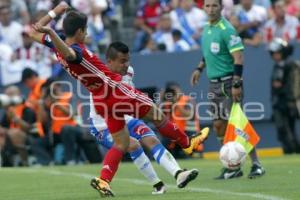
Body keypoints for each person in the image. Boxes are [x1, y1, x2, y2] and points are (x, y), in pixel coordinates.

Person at [28, 2, 207, 197]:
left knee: (121, 143)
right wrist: (52, 32)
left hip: (101, 99)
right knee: (157, 114)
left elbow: (33, 32)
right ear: (79, 31)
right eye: (85, 30)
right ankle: (187, 142)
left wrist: (54, 13)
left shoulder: (57, 45)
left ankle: (104, 181)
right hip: (114, 89)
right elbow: (69, 54)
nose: (87, 33)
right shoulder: (74, 51)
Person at [89, 46, 206, 193]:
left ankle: (179, 173)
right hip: (102, 125)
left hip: (126, 117)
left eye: (127, 60)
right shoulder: (98, 77)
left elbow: (129, 95)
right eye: (122, 61)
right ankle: (155, 184)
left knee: (152, 139)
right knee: (132, 144)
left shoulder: (129, 72)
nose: (126, 65)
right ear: (109, 62)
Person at [190, 0, 265, 179]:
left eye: (214, 5)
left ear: (221, 8)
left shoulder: (227, 30)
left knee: (238, 124)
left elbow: (238, 57)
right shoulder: (207, 29)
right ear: (203, 8)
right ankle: (233, 166)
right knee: (218, 125)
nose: (210, 9)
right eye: (207, 6)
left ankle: (256, 164)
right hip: (213, 84)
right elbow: (209, 53)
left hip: (228, 83)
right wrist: (199, 68)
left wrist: (237, 84)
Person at [268, 38, 300, 154]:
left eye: (276, 53)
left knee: (284, 129)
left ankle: (291, 150)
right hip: (287, 101)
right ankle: (294, 150)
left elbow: (280, 84)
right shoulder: (291, 64)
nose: (274, 56)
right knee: (288, 128)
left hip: (284, 102)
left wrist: (289, 100)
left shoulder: (284, 66)